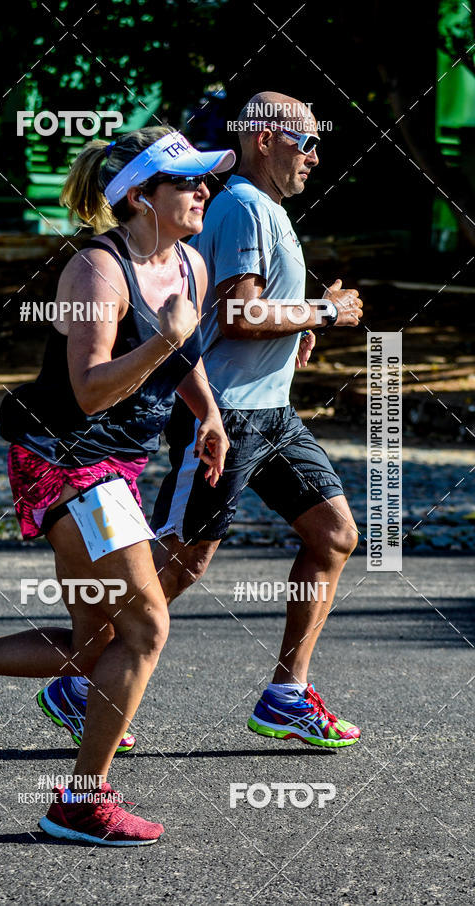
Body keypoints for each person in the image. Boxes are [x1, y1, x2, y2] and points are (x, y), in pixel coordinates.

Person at [0, 125, 233, 845]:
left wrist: (209, 413)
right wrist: (165, 339)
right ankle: (81, 801)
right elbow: (89, 390)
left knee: (93, 644)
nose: (204, 190)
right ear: (139, 196)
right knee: (145, 628)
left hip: (117, 465)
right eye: (188, 181)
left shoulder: (189, 262)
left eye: (205, 178)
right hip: (64, 459)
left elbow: (187, 350)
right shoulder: (95, 272)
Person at [151, 92, 364, 748]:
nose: (316, 157)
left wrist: (298, 322)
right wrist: (323, 313)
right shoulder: (243, 205)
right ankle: (77, 675)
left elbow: (259, 309)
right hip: (223, 416)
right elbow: (241, 314)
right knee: (179, 564)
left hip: (271, 413)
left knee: (334, 535)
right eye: (307, 142)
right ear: (264, 138)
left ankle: (286, 696)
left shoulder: (265, 207)